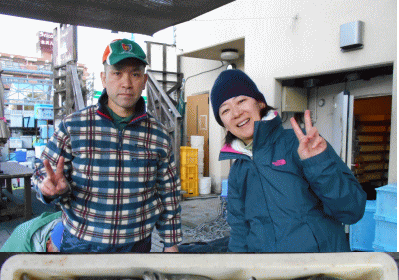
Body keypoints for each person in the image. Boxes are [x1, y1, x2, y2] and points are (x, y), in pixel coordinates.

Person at [32, 39, 182, 253]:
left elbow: (169, 193)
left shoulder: (158, 135)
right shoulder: (74, 126)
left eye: (135, 74)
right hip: (81, 243)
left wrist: (171, 243)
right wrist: (48, 188)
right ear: (103, 78)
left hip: (136, 245)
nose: (127, 83)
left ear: (144, 80)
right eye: (117, 73)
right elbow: (42, 171)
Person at [210, 69, 367, 253]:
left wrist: (319, 164)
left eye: (241, 101)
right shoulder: (238, 172)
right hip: (272, 275)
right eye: (225, 110)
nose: (236, 113)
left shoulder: (299, 144)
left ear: (260, 103)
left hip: (320, 269)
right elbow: (239, 233)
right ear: (224, 124)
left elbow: (353, 210)